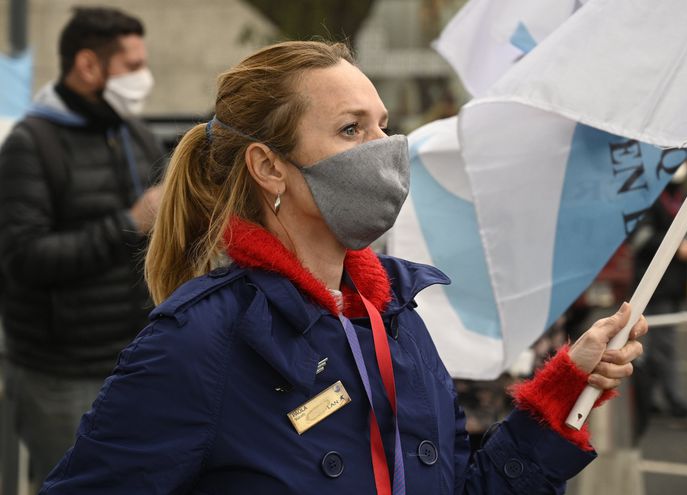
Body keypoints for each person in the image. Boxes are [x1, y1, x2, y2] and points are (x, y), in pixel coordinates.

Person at [39, 40, 646, 494]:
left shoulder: (396, 320)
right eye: (351, 129)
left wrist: (564, 390)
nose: (384, 148)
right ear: (269, 167)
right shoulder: (200, 341)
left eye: (383, 125)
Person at [0, 6, 163, 481]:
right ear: (88, 65)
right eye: (132, 67)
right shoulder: (31, 145)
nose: (143, 79)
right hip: (60, 374)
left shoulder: (135, 134)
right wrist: (129, 223)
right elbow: (23, 258)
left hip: (136, 357)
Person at [631, 162, 687, 438]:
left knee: (656, 348)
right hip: (654, 287)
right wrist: (678, 246)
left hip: (676, 285)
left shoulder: (685, 199)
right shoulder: (650, 200)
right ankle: (675, 403)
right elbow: (641, 240)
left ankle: (648, 400)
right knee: (664, 347)